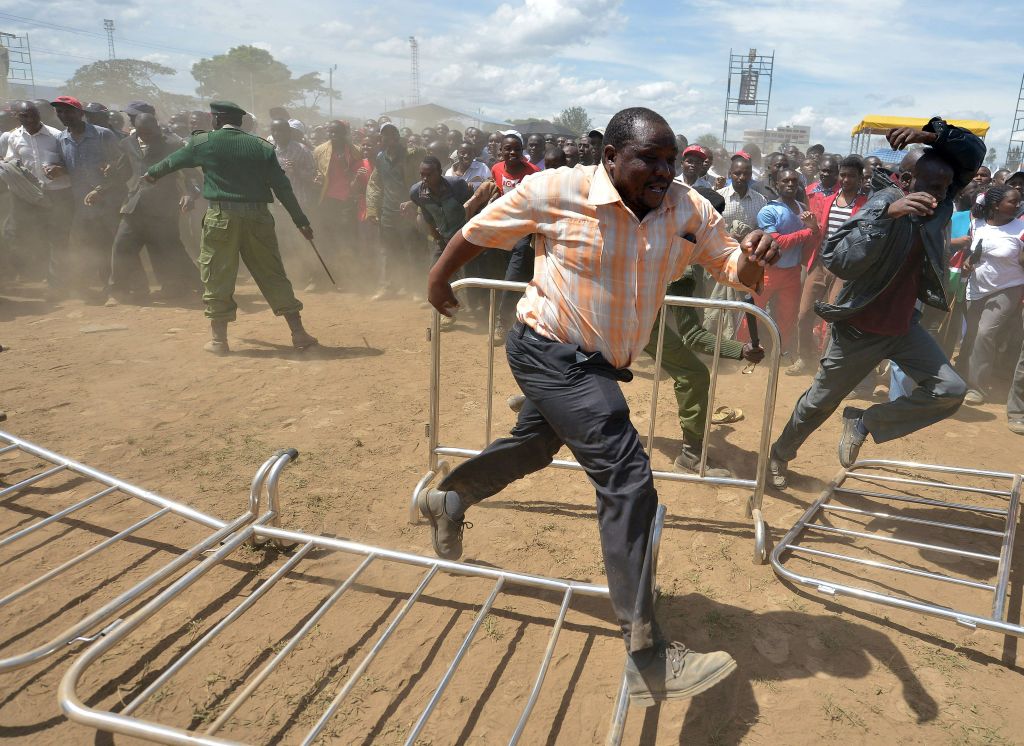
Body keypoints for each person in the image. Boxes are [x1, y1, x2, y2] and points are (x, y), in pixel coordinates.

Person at [418, 106, 781, 706]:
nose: (665, 171)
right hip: (549, 349)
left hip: (600, 362)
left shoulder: (687, 208)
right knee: (627, 475)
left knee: (536, 445)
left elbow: (733, 269)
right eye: (650, 158)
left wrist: (755, 261)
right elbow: (478, 231)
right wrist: (439, 277)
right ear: (611, 157)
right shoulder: (557, 189)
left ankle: (449, 498)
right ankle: (648, 655)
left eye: (671, 158)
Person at [769, 118, 984, 488]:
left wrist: (930, 135)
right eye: (931, 187)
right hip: (859, 329)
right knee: (818, 403)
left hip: (903, 327)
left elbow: (973, 155)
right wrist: (887, 217)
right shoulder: (880, 206)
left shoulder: (941, 202)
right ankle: (780, 453)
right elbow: (837, 259)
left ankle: (865, 421)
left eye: (945, 187)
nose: (939, 195)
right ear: (904, 181)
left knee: (950, 390)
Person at [143, 100, 318, 353]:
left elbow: (172, 162)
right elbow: (282, 187)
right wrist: (301, 221)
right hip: (258, 217)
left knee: (217, 275)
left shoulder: (203, 142)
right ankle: (298, 333)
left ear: (217, 119)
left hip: (221, 217)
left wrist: (152, 174)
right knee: (272, 273)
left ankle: (219, 341)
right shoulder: (261, 146)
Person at [106, 113, 200, 304]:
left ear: (157, 127)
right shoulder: (128, 143)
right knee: (122, 246)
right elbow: (122, 173)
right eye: (143, 133)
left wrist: (190, 194)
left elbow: (193, 176)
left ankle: (188, 286)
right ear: (135, 128)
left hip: (164, 207)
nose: (147, 136)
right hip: (135, 205)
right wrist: (104, 183)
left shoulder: (173, 144)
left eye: (151, 132)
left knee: (168, 248)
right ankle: (118, 291)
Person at [789, 155, 869, 375]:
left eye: (851, 176)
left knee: (833, 319)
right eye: (843, 175)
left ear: (860, 178)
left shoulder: (865, 205)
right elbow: (817, 233)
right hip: (821, 263)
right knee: (804, 314)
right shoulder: (826, 201)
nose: (845, 180)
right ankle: (805, 357)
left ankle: (825, 365)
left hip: (844, 269)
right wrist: (813, 226)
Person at [52, 95, 124, 297]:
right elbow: (67, 166)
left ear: (80, 113)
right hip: (82, 203)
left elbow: (121, 167)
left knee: (113, 243)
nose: (63, 115)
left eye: (68, 111)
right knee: (91, 244)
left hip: (109, 201)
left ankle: (117, 286)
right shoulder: (61, 138)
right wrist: (58, 169)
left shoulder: (103, 135)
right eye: (59, 111)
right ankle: (102, 284)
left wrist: (103, 186)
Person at [744, 168, 819, 356]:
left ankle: (780, 352)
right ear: (777, 184)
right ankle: (742, 349)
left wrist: (814, 230)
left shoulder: (803, 209)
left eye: (794, 180)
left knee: (788, 316)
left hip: (792, 272)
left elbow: (813, 238)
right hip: (767, 271)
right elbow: (777, 242)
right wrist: (810, 230)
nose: (790, 184)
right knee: (753, 312)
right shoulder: (768, 210)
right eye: (785, 181)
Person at [960, 185, 1024, 404]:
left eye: (1018, 202)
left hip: (1008, 288)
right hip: (977, 287)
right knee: (971, 335)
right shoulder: (977, 224)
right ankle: (960, 379)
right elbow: (973, 255)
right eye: (1012, 202)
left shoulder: (1020, 228)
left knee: (985, 333)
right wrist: (968, 263)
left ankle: (976, 388)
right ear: (996, 205)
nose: (1017, 205)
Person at [0, 101, 74, 289]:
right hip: (31, 196)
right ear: (17, 117)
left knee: (58, 236)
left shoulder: (56, 136)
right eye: (25, 116)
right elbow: (11, 163)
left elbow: (73, 163)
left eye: (34, 115)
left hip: (58, 193)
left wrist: (61, 169)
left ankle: (59, 282)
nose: (31, 119)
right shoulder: (13, 138)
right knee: (36, 235)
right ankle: (42, 274)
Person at [366, 122, 426, 300]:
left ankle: (417, 289)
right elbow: (375, 184)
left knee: (413, 249)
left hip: (410, 211)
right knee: (389, 251)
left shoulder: (411, 156)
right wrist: (372, 208)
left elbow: (422, 179)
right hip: (388, 211)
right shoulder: (380, 158)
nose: (389, 138)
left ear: (398, 137)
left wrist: (415, 202)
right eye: (385, 134)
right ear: (381, 138)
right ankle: (388, 287)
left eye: (393, 134)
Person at [490, 133, 539, 336]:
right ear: (501, 151)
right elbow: (498, 191)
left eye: (517, 149)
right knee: (495, 270)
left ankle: (502, 322)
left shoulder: (534, 172)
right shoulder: (496, 168)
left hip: (523, 231)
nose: (512, 153)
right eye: (508, 149)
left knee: (512, 276)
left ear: (522, 151)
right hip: (501, 227)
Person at [312, 120, 362, 290]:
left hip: (348, 201)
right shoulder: (319, 151)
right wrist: (316, 179)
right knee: (327, 240)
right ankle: (324, 279)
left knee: (346, 240)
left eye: (337, 132)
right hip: (327, 200)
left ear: (344, 133)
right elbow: (315, 172)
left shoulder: (355, 151)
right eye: (331, 132)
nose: (334, 136)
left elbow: (360, 172)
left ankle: (348, 279)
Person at [409, 155, 473, 267]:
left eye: (429, 175)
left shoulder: (456, 185)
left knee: (466, 275)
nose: (424, 178)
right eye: (422, 174)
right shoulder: (416, 193)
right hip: (444, 240)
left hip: (465, 239)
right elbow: (427, 216)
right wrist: (438, 238)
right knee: (434, 274)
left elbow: (472, 206)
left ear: (440, 172)